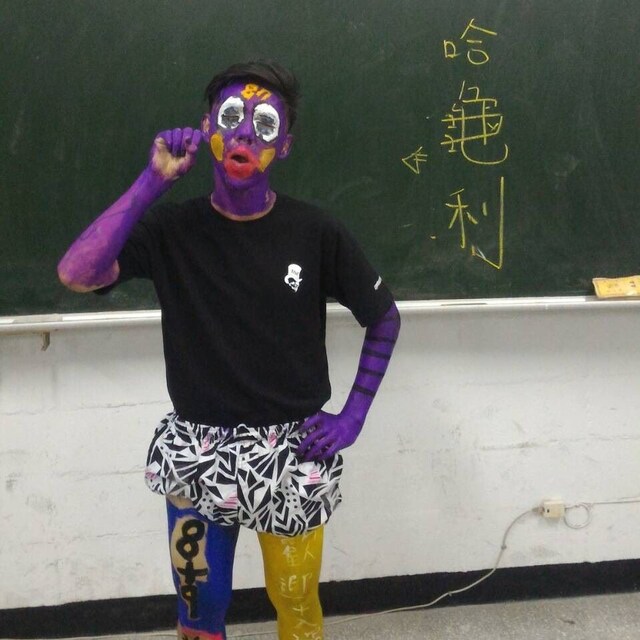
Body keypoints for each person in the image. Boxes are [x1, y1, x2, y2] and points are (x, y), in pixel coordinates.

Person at [58, 60, 401, 640]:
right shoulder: (170, 229)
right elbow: (76, 274)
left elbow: (384, 318)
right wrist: (153, 182)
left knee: (295, 602)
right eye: (232, 117)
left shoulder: (314, 231)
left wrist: (353, 416)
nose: (244, 133)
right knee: (198, 603)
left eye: (264, 125)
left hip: (292, 450)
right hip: (197, 449)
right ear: (207, 127)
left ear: (283, 145)